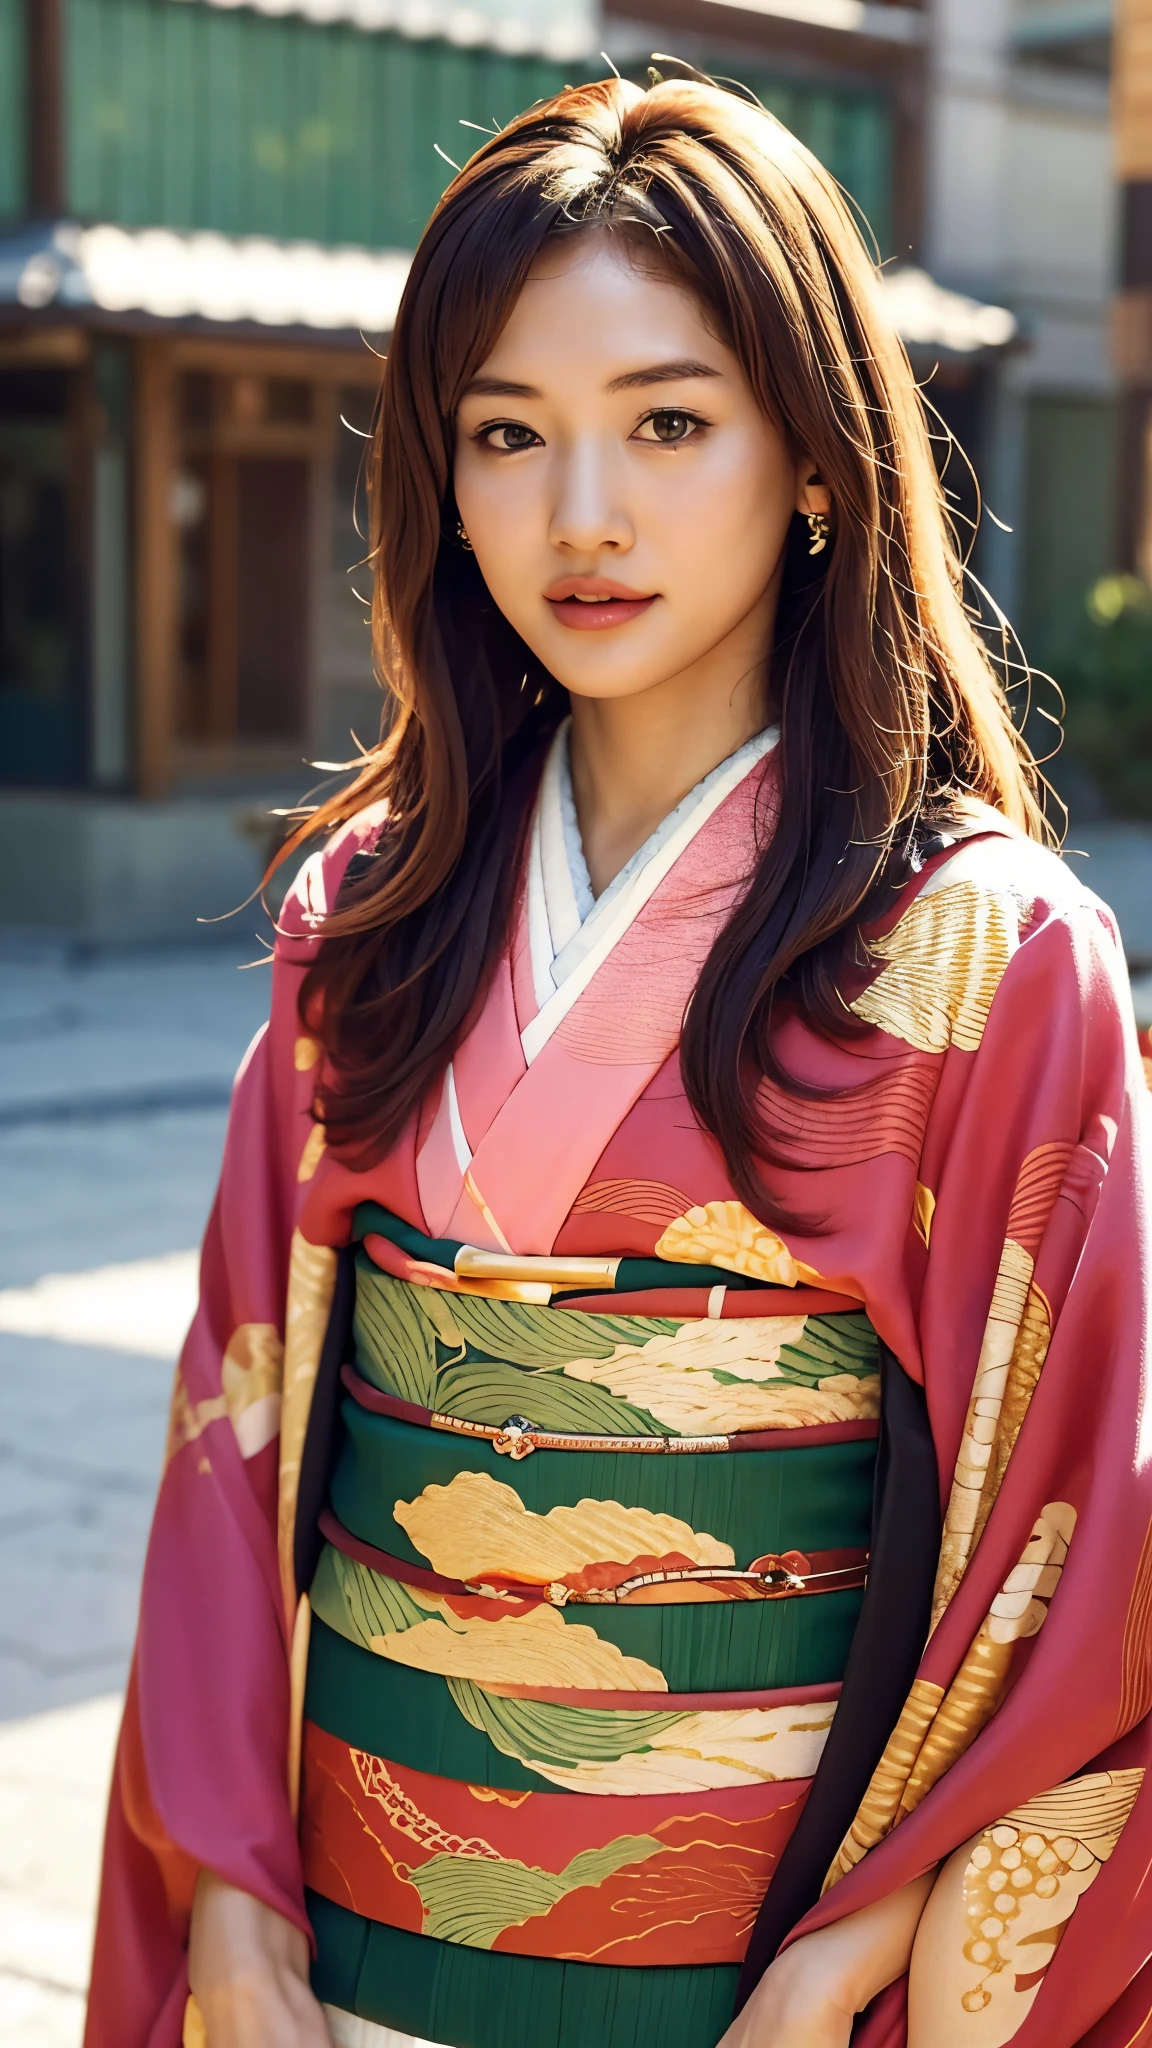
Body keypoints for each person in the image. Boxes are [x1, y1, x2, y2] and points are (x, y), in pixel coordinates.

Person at [85, 73, 1152, 2048]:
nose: (584, 514)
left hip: (762, 1993)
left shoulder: (990, 960)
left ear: (816, 457)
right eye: (510, 434)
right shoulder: (367, 917)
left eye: (668, 421)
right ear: (441, 475)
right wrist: (230, 1914)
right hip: (344, 1970)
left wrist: (854, 1955)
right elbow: (227, 1450)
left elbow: (1073, 1553)